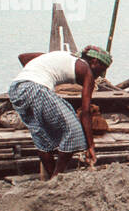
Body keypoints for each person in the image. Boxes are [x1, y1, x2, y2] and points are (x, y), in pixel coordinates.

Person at [9, 45, 111, 180]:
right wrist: (91, 145)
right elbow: (85, 112)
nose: (99, 76)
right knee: (75, 132)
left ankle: (52, 179)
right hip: (36, 89)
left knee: (43, 139)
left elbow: (23, 57)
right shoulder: (86, 70)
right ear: (94, 62)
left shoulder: (61, 56)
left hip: (16, 90)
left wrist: (39, 69)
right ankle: (58, 177)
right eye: (101, 70)